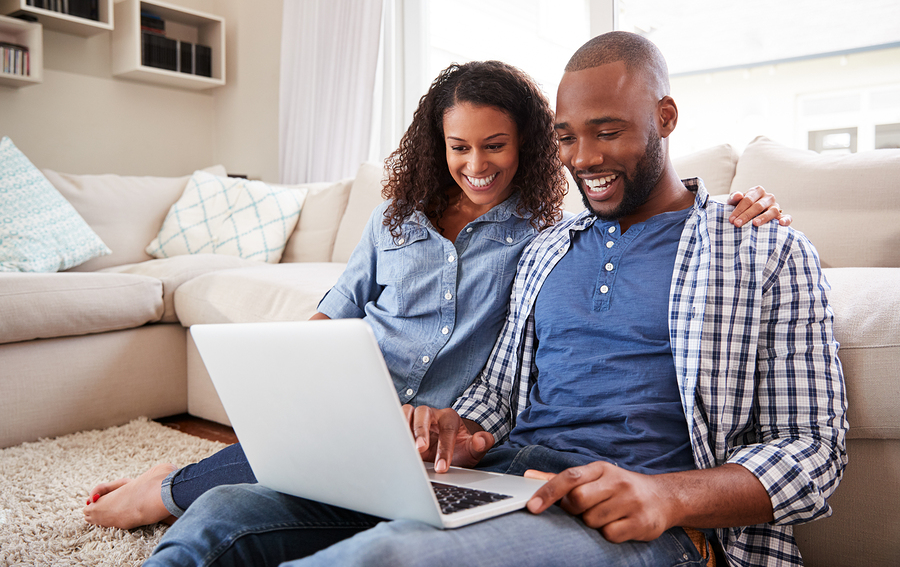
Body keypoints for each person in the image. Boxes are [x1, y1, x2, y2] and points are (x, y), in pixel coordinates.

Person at [85, 58, 787, 533]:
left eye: (495, 146)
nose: (475, 165)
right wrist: (306, 371)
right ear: (437, 145)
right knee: (278, 471)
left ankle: (171, 484)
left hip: (435, 429)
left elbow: (637, 207)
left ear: (531, 147)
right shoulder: (395, 219)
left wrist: (737, 203)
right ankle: (183, 482)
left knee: (345, 474)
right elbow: (339, 305)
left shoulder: (549, 234)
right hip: (368, 398)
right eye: (459, 147)